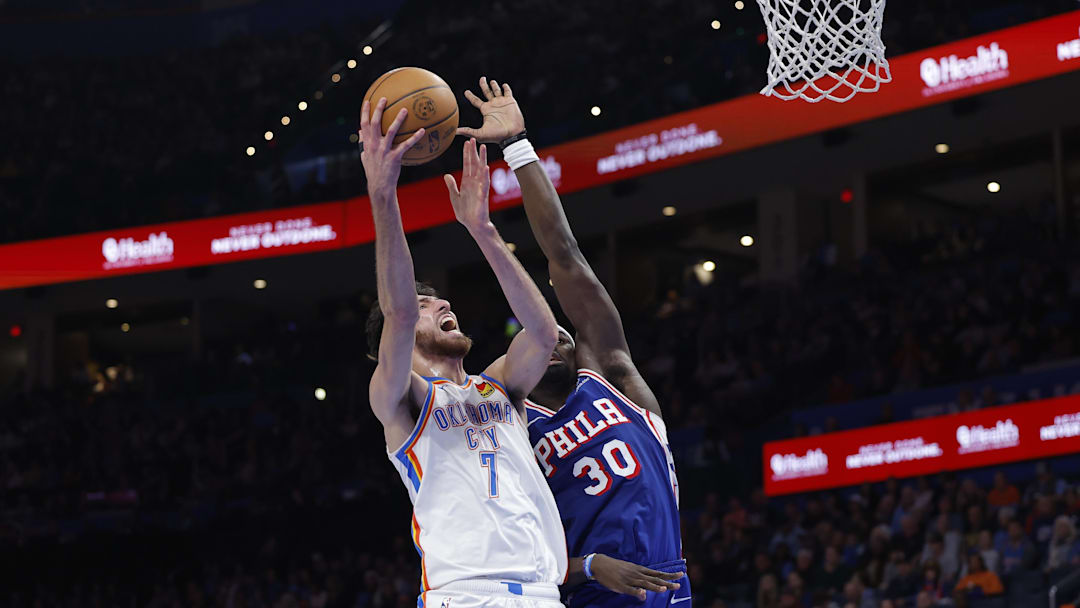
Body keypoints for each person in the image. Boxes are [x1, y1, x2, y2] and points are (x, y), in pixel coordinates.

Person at [360, 98, 670, 608]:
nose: (442, 304)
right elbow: (396, 312)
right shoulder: (401, 399)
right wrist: (383, 194)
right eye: (425, 304)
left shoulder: (497, 386)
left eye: (440, 298)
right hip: (464, 597)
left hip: (541, 595)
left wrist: (483, 231)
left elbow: (543, 332)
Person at [455, 77, 688, 607]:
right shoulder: (511, 430)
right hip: (580, 596)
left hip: (669, 587)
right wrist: (587, 568)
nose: (558, 339)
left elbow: (565, 254)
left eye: (564, 335)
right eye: (545, 338)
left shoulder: (615, 377)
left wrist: (516, 146)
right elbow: (513, 557)